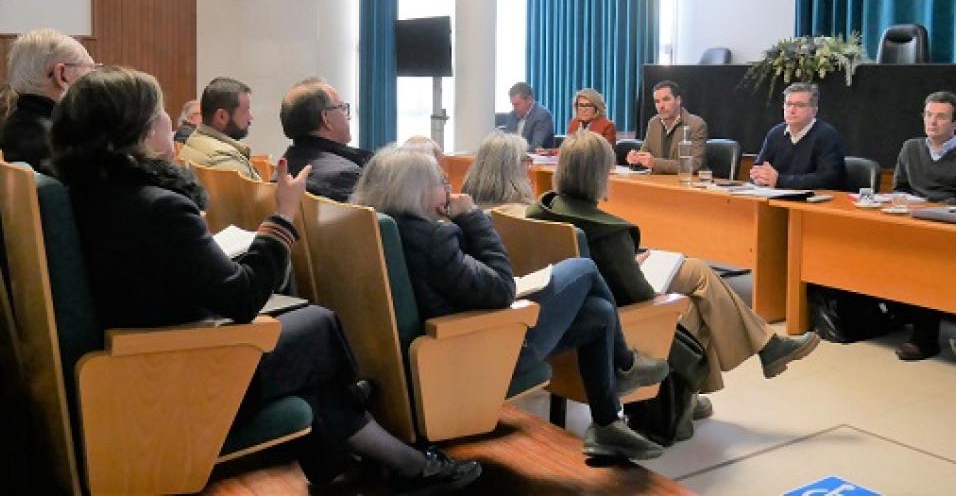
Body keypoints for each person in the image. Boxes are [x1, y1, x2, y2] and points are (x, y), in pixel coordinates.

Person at [48, 66, 480, 492]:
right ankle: (383, 446)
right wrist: (282, 218)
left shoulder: (86, 189)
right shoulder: (158, 207)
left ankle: (369, 458)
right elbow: (243, 296)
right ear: (136, 132)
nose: (171, 122)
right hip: (178, 368)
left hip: (139, 352)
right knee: (318, 324)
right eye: (158, 112)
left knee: (313, 346)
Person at [351, 145, 671, 462]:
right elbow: (502, 289)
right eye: (441, 183)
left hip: (445, 347)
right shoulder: (432, 240)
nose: (450, 189)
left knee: (599, 313)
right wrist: (473, 218)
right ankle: (626, 364)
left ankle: (607, 424)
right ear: (415, 192)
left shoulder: (376, 230)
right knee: (584, 268)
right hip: (484, 351)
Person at [528, 131, 821, 406]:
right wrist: (633, 263)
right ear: (599, 175)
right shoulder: (607, 230)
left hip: (561, 313)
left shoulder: (540, 211)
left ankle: (765, 348)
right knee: (696, 305)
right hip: (618, 320)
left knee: (696, 271)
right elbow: (639, 294)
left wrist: (628, 262)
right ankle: (691, 399)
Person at [891, 90, 956, 361]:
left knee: (929, 262)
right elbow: (900, 187)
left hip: (949, 225)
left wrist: (935, 205)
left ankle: (925, 337)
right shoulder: (911, 148)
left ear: (954, 124)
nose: (933, 122)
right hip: (916, 222)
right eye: (929, 115)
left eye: (941, 117)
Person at [0, 28, 97, 172]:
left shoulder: (11, 127)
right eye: (91, 69)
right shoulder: (60, 143)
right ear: (62, 75)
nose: (96, 78)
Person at [280, 78, 371, 202]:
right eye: (343, 108)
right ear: (326, 118)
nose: (348, 116)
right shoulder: (346, 176)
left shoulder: (283, 171)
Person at [750, 82, 847, 190]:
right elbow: (759, 167)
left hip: (815, 201)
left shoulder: (827, 135)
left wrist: (779, 180)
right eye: (788, 104)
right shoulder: (775, 133)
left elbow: (828, 179)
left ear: (814, 110)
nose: (792, 110)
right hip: (776, 197)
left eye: (799, 105)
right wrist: (758, 176)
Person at [179, 77, 260, 179]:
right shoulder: (229, 164)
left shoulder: (194, 142)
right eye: (246, 111)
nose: (250, 117)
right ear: (221, 117)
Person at [626, 80, 708, 174]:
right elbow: (644, 153)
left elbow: (694, 165)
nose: (661, 106)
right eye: (657, 101)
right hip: (660, 182)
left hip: (688, 184)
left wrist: (655, 163)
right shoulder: (654, 123)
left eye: (666, 99)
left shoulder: (696, 125)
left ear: (678, 100)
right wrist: (636, 159)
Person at [461, 130, 534, 211]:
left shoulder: (462, 207)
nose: (528, 166)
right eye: (526, 159)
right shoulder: (525, 213)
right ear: (511, 168)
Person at [501, 82, 555, 151]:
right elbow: (507, 142)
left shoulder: (542, 115)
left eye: (517, 104)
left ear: (529, 100)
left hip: (536, 160)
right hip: (514, 158)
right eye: (513, 104)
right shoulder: (512, 115)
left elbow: (535, 146)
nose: (514, 108)